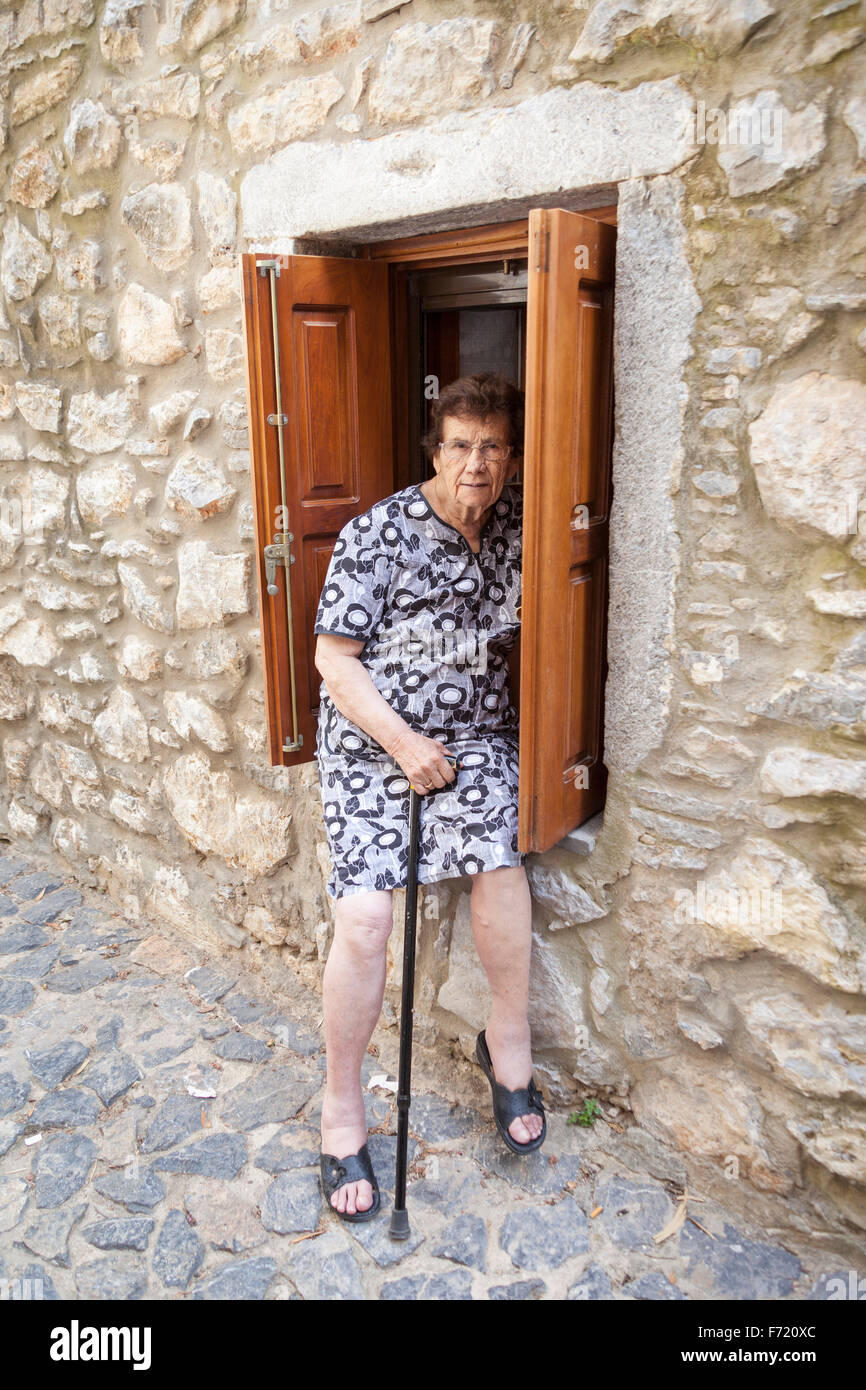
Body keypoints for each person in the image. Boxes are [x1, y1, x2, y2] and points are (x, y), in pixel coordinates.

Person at [312, 372, 545, 1223]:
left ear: (512, 457)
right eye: (459, 446)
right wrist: (403, 743)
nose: (475, 465)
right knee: (367, 919)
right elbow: (334, 663)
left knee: (500, 862)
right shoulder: (376, 534)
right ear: (434, 451)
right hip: (377, 746)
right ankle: (342, 1108)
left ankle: (507, 1047)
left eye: (491, 447)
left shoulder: (521, 522)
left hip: (475, 739)